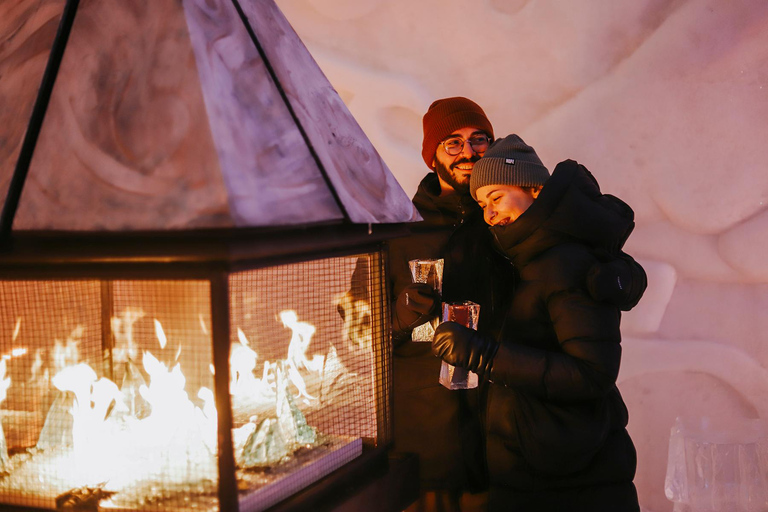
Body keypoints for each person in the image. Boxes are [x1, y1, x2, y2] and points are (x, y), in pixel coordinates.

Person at [388, 99, 646, 512]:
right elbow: (357, 330)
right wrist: (396, 319)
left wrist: (623, 276)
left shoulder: (510, 225)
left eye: (479, 139)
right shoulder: (401, 228)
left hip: (509, 434)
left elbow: (583, 257)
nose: (468, 151)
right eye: (452, 143)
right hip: (430, 436)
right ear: (431, 155)